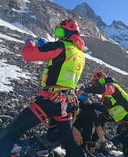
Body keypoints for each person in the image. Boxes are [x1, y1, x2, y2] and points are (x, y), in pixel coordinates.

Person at [0, 19, 86, 157]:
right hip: (66, 103)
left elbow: (28, 54)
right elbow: (61, 64)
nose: (59, 35)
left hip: (50, 101)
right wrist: (46, 46)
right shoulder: (79, 54)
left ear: (69, 32)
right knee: (70, 143)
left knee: (11, 132)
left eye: (60, 32)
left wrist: (30, 43)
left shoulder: (61, 45)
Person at [75, 71, 128, 157]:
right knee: (102, 117)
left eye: (95, 82)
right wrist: (91, 104)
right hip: (121, 117)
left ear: (101, 81)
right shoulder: (107, 96)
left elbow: (102, 89)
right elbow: (105, 109)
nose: (94, 85)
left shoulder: (111, 87)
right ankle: (93, 142)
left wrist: (84, 90)